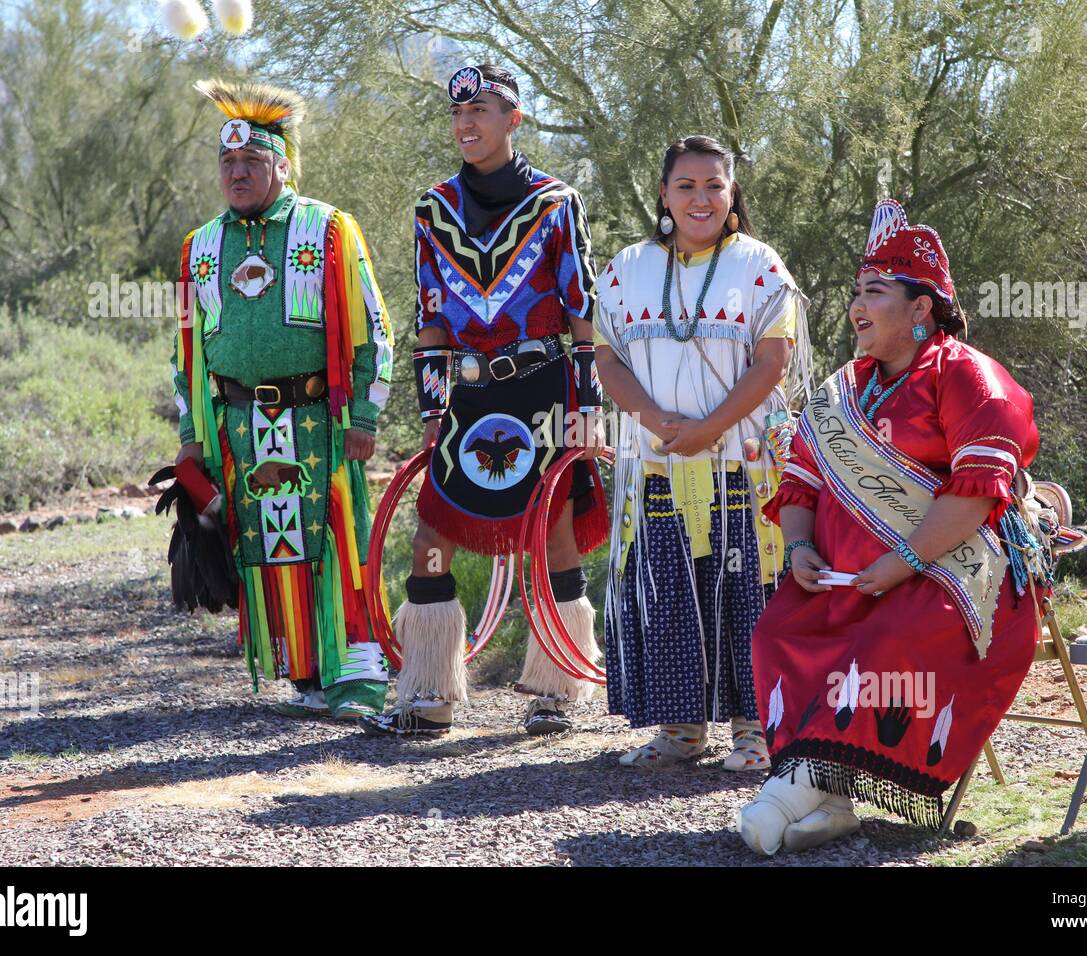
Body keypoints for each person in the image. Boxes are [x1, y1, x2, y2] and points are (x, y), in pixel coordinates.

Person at [738, 198, 1048, 855]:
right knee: (776, 630)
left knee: (893, 636)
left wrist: (903, 560)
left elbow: (977, 493)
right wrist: (798, 545)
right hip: (848, 574)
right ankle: (826, 795)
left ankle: (790, 795)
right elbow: (800, 485)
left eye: (875, 292)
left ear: (920, 309)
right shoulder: (840, 391)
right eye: (856, 292)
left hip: (953, 570)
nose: (856, 305)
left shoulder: (966, 375)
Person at [363, 65, 608, 738]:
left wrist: (588, 408)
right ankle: (429, 693)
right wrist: (432, 413)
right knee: (432, 537)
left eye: (480, 109)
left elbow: (584, 315)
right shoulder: (431, 209)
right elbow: (432, 319)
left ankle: (560, 689)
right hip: (468, 395)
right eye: (457, 112)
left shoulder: (557, 203)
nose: (466, 122)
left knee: (553, 536)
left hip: (542, 386)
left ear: (513, 119)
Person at [171, 79, 394, 720]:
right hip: (240, 422)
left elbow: (371, 327)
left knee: (337, 541)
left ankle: (358, 669)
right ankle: (303, 671)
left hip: (319, 418)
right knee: (269, 544)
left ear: (282, 165)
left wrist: (365, 415)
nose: (237, 173)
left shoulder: (327, 230)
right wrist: (193, 435)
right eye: (227, 163)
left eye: (252, 162)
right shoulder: (199, 247)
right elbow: (185, 350)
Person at [593, 135, 811, 771]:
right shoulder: (626, 268)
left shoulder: (760, 265)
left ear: (732, 192)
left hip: (741, 460)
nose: (701, 198)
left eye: (714, 185)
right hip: (658, 460)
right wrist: (660, 422)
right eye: (686, 186)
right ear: (663, 194)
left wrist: (711, 425)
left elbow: (774, 362)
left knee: (748, 591)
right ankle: (680, 731)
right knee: (665, 589)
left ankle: (756, 731)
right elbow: (606, 359)